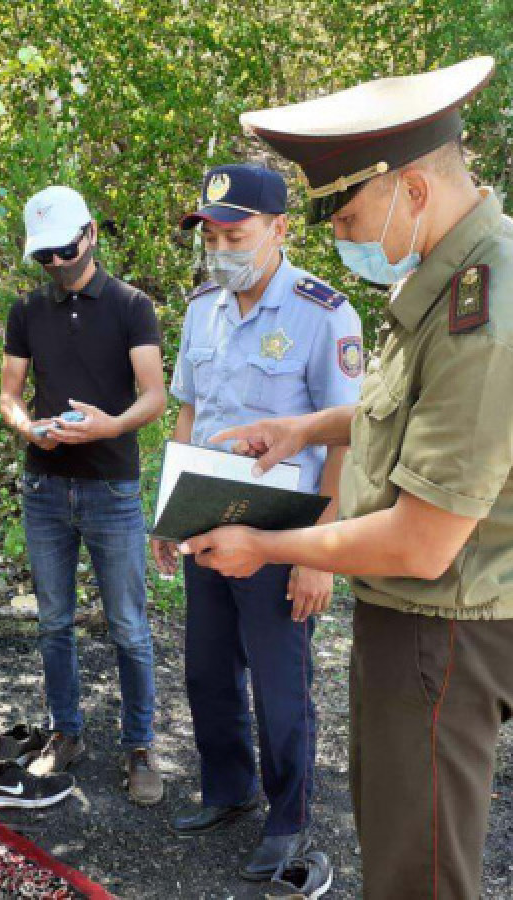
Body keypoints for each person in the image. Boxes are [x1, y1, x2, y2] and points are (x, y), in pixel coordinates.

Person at [184, 57, 513, 899]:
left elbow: (420, 539)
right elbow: (402, 410)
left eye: (348, 209)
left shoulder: (494, 316)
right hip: (421, 623)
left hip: (444, 630)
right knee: (399, 836)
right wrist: (302, 425)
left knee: (421, 872)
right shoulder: (454, 274)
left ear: (411, 189)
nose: (339, 232)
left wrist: (265, 544)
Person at [153, 163, 362, 886]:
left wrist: (321, 555)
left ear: (279, 229)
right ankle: (228, 788)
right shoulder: (202, 308)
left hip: (282, 530)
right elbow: (188, 411)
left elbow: (343, 439)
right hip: (205, 520)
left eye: (234, 233)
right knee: (207, 670)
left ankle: (289, 816)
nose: (220, 248)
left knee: (281, 683)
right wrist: (165, 508)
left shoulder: (324, 314)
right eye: (210, 235)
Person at [0, 185, 167, 806]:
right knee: (54, 623)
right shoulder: (27, 310)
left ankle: (140, 745)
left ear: (92, 234)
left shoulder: (130, 304)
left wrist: (112, 425)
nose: (57, 266)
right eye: (44, 257)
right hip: (44, 485)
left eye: (65, 251)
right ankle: (65, 732)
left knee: (128, 626)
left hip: (111, 485)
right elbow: (10, 391)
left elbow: (154, 393)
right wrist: (24, 427)